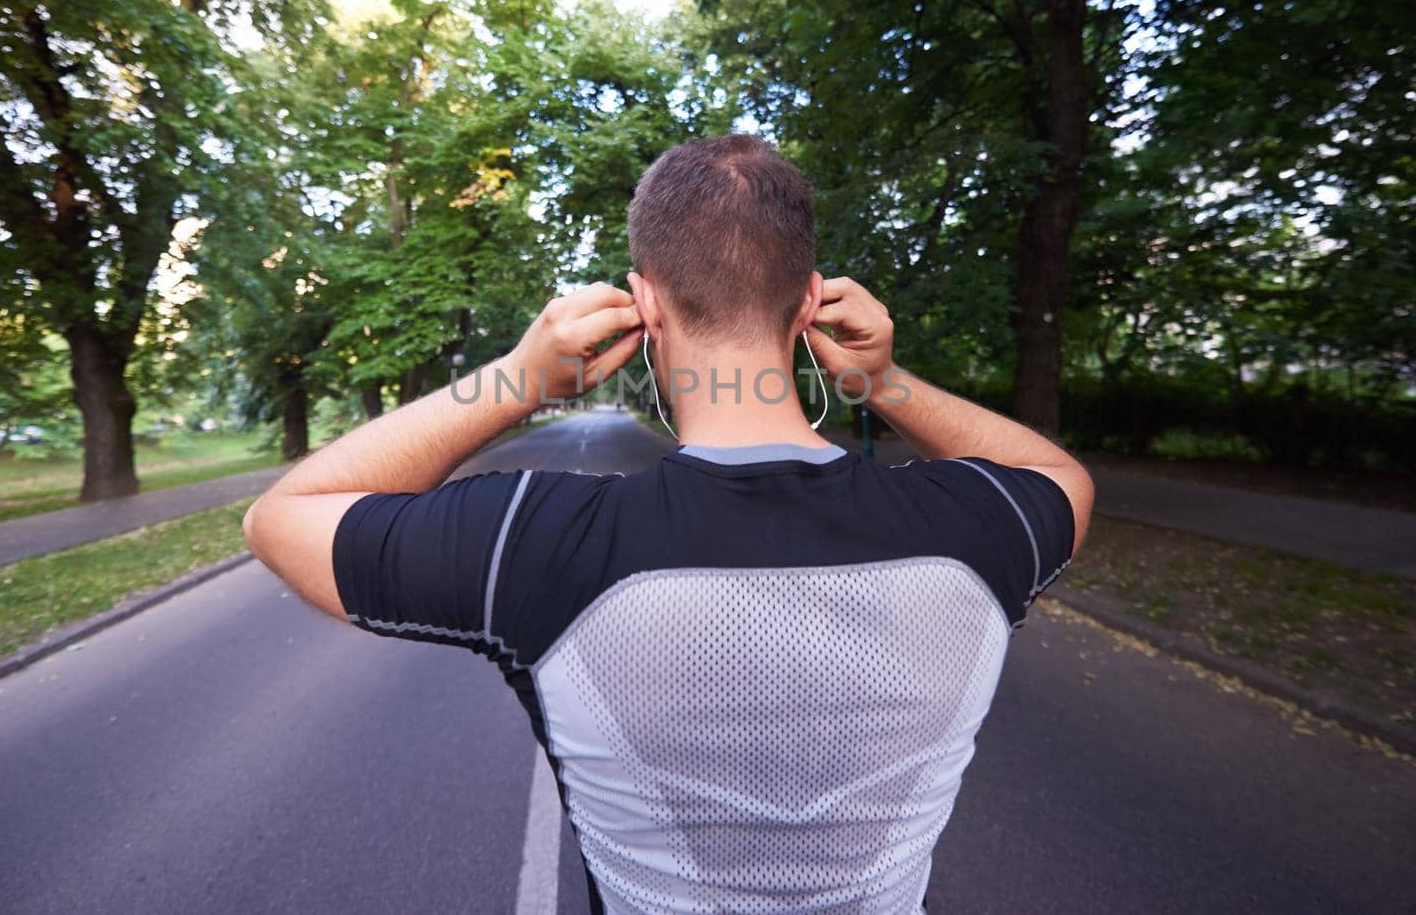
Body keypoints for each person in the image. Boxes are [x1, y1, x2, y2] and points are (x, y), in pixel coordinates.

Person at [243, 133, 1094, 914]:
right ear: (808, 305)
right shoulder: (979, 530)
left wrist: (516, 380)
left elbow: (284, 517)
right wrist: (883, 383)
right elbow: (1061, 476)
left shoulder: (537, 542)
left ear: (647, 305)